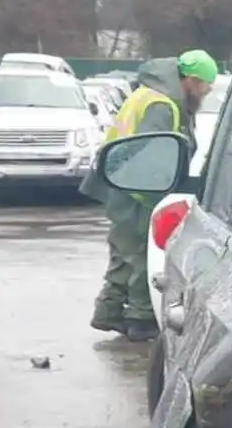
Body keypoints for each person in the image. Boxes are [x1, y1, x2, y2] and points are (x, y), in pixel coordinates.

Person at [85, 49, 218, 340]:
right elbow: (152, 153)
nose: (207, 91)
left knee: (124, 251)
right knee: (142, 254)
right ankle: (141, 320)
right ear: (192, 80)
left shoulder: (152, 93)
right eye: (206, 85)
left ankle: (107, 313)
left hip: (121, 183)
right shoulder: (163, 105)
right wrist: (158, 195)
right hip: (138, 190)